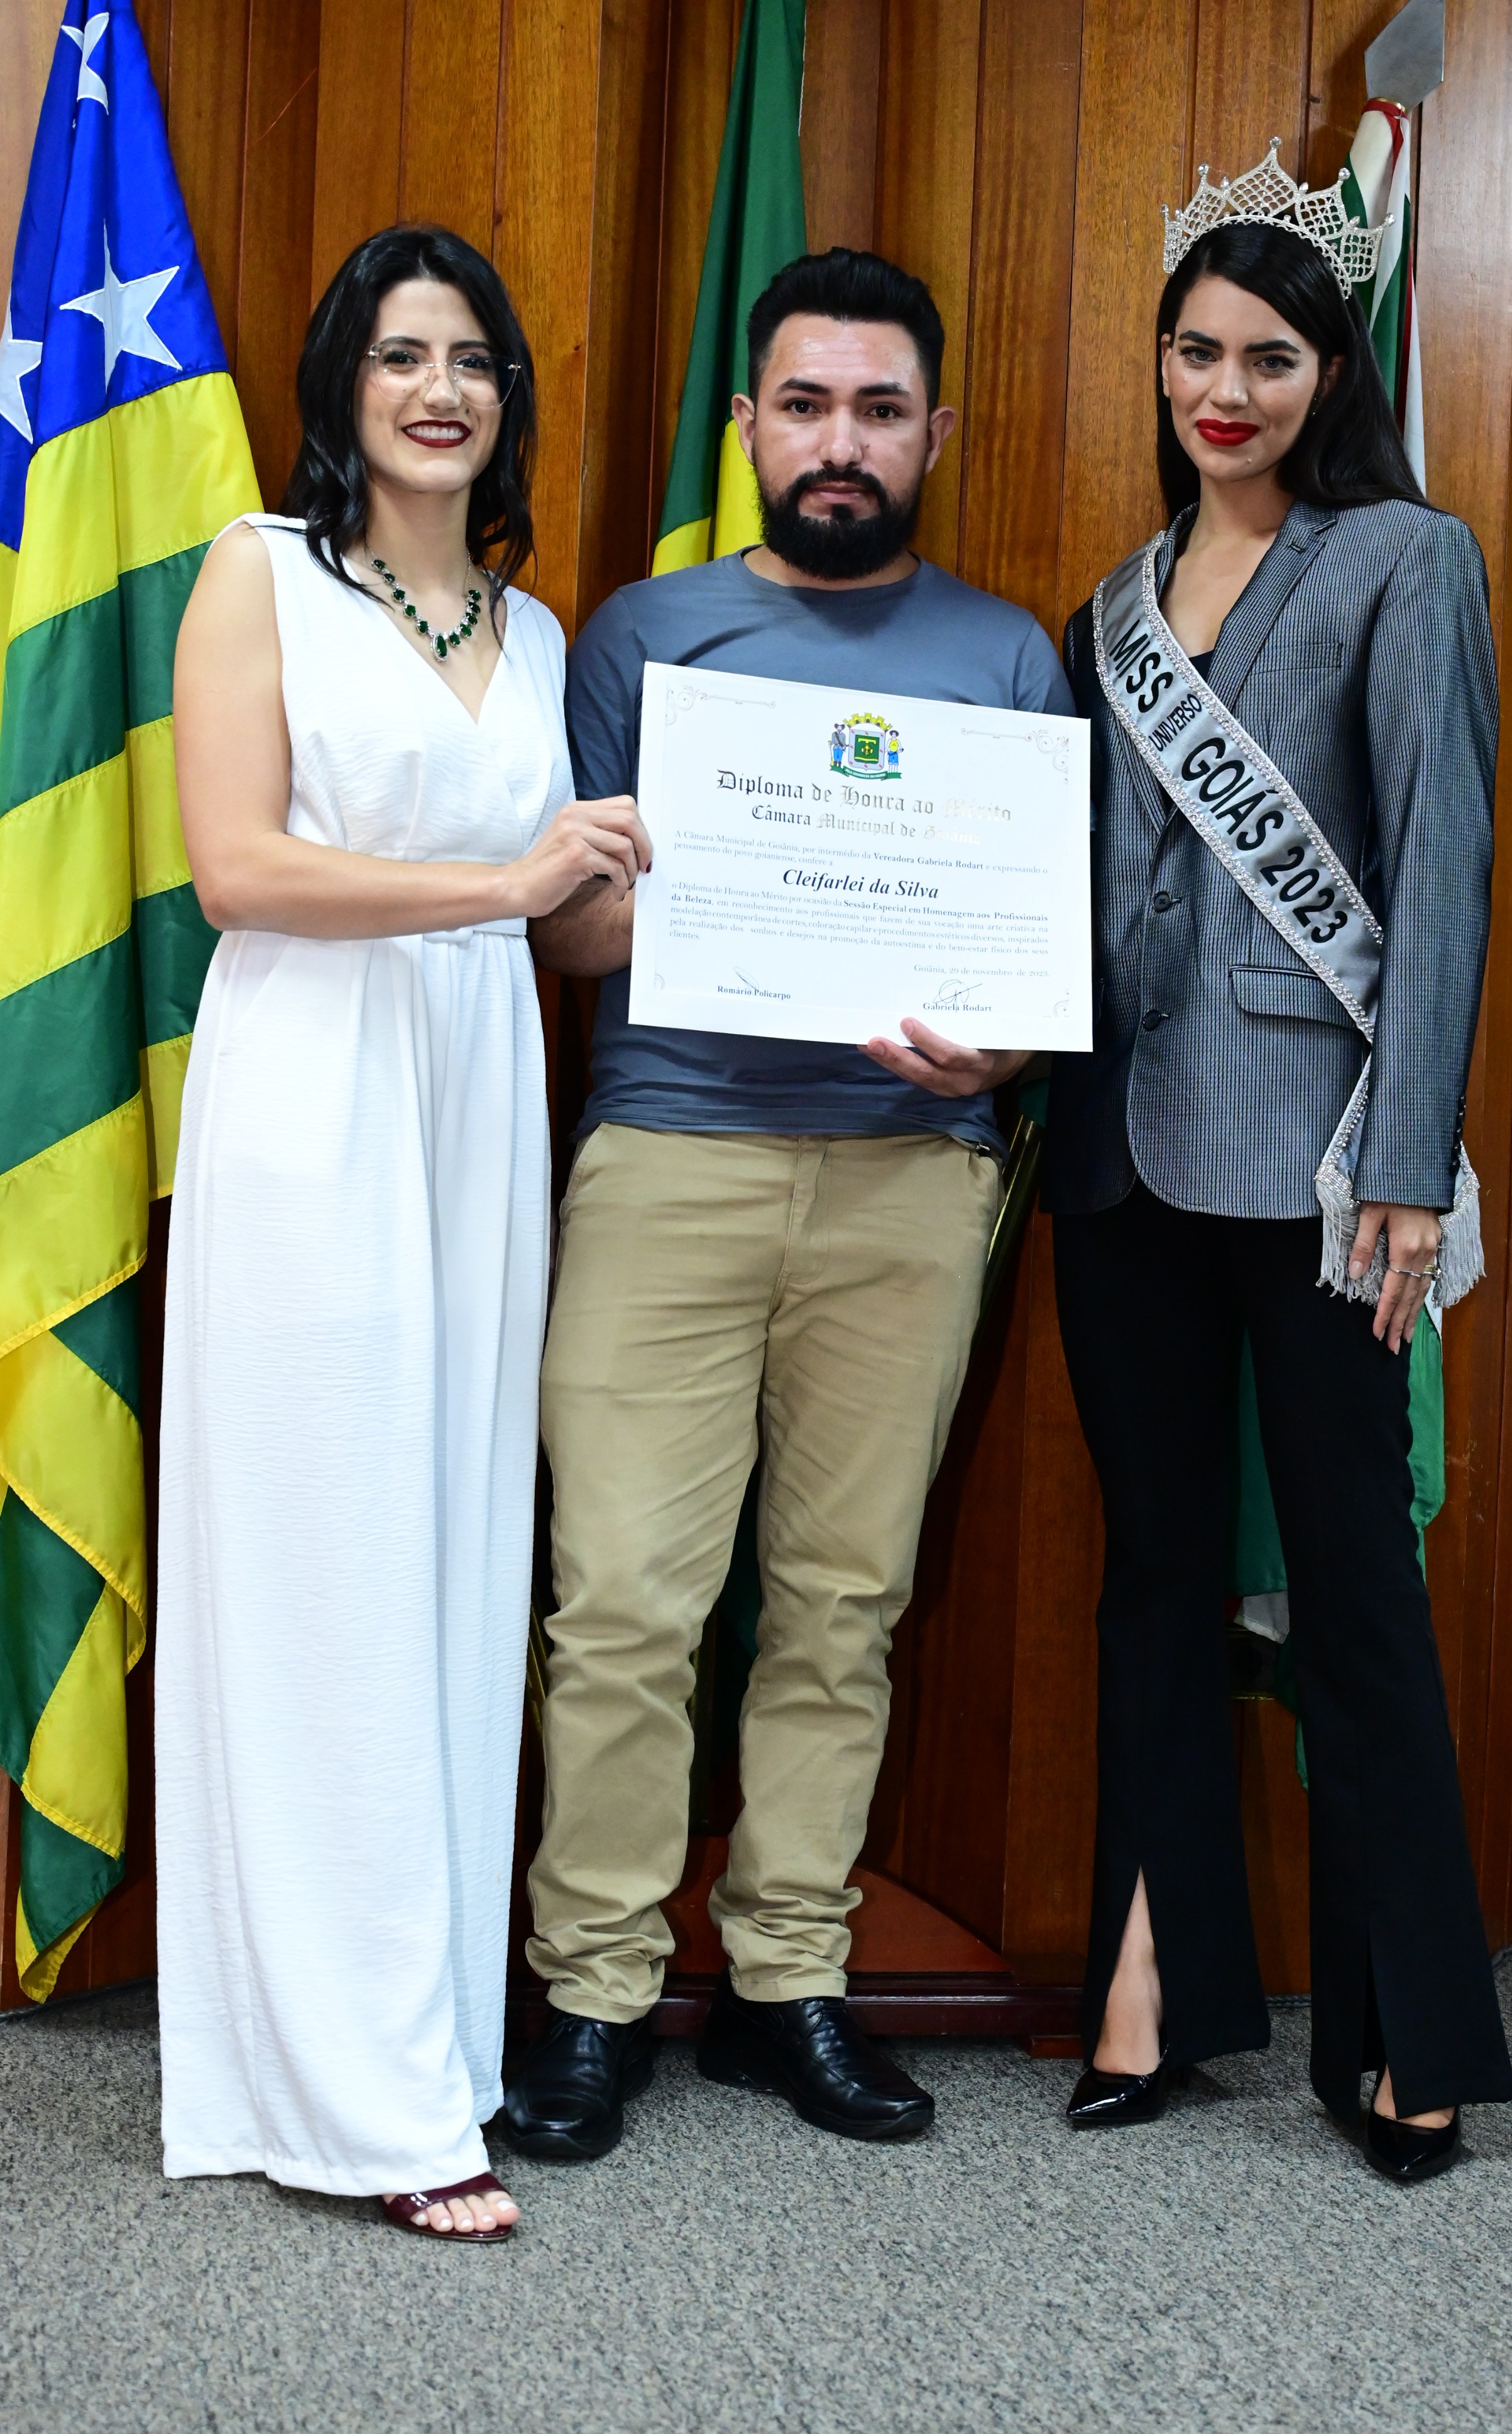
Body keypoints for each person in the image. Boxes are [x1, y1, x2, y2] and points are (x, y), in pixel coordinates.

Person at [501, 246, 1068, 2159]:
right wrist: (679, 893)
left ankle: (786, 1984)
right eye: (806, 405)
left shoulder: (1006, 656)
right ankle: (591, 1991)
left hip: (912, 1178)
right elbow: (573, 942)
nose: (842, 442)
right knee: (622, 1602)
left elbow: (1029, 951)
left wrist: (999, 1050)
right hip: (672, 1159)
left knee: (841, 1604)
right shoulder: (644, 637)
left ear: (934, 434)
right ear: (749, 424)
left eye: (880, 410)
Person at [155, 224, 648, 2240]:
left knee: (450, 1552)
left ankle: (422, 2046)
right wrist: (508, 887)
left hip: (474, 1108)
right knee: (325, 1559)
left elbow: (571, 926)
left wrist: (681, 890)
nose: (439, 391)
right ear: (341, 387)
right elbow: (236, 870)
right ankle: (353, 2102)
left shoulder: (535, 633)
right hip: (313, 1093)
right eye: (400, 355)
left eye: (472, 360)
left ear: (506, 398)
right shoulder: (256, 574)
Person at [1045, 156, 1512, 2183]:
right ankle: (1152, 1989)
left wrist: (1406, 1162)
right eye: (1194, 353)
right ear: (1157, 364)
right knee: (1152, 1574)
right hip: (1115, 1158)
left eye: (1266, 358)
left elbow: (1440, 865)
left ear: (1331, 372)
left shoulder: (1404, 558)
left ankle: (1406, 2035)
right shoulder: (1110, 606)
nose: (1222, 392)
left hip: (1319, 1167)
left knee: (1351, 1594)